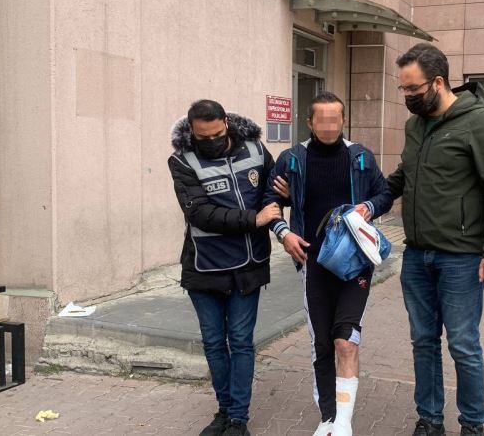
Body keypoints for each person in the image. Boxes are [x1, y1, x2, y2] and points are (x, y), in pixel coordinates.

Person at [387, 43, 484, 436]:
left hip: (461, 257)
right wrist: (369, 200)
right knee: (423, 341)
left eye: (413, 88)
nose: (408, 96)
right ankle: (429, 419)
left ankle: (472, 423)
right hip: (417, 255)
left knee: (462, 344)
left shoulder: (479, 122)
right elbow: (404, 175)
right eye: (403, 89)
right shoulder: (415, 126)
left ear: (439, 82)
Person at [265, 91, 393, 436]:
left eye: (334, 119)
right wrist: (283, 233)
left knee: (345, 341)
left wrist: (369, 207)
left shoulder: (360, 156)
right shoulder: (292, 159)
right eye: (321, 119)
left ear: (343, 120)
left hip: (355, 264)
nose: (328, 125)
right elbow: (269, 199)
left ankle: (344, 423)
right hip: (312, 262)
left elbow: (384, 194)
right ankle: (328, 418)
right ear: (309, 122)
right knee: (322, 344)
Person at [168, 100, 281, 436]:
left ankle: (238, 419)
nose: (211, 141)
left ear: (226, 125)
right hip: (205, 266)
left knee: (242, 342)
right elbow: (199, 213)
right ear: (192, 131)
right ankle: (224, 410)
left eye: (217, 134)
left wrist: (283, 196)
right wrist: (253, 219)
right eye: (203, 137)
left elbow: (272, 192)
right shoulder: (182, 161)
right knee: (214, 343)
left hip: (249, 265)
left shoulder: (256, 150)